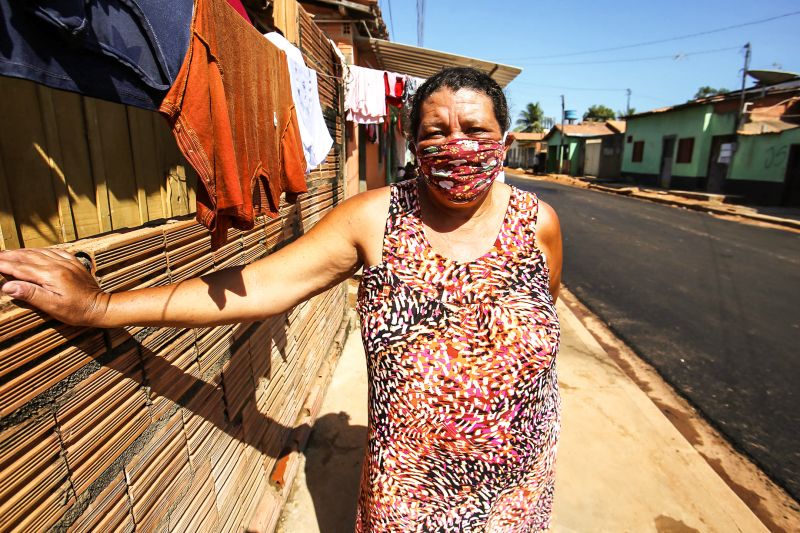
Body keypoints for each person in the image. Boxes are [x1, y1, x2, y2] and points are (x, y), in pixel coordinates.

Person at [0, 67, 562, 530]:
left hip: (519, 483)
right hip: (410, 493)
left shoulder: (539, 224)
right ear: (412, 145)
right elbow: (259, 286)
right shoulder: (376, 220)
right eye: (437, 132)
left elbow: (537, 333)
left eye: (474, 129)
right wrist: (101, 308)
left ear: (506, 143)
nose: (457, 144)